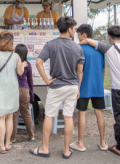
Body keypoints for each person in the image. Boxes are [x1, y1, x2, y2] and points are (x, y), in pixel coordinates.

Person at [30, 16, 85, 159]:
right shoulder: (77, 47)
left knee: (49, 115)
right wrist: (78, 88)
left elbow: (38, 62)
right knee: (68, 117)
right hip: (72, 86)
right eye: (74, 28)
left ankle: (44, 148)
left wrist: (47, 80)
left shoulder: (51, 45)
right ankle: (66, 150)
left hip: (56, 86)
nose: (74, 31)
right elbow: (80, 71)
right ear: (69, 29)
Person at [79, 25, 120, 156]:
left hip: (118, 89)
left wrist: (81, 41)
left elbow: (89, 41)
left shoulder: (108, 48)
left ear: (109, 37)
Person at [69, 24, 108, 152]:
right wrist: (100, 85)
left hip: (83, 86)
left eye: (78, 35)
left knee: (82, 113)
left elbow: (77, 70)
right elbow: (103, 70)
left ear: (84, 35)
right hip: (97, 86)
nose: (78, 37)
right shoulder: (100, 50)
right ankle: (102, 142)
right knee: (99, 113)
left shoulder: (79, 49)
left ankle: (80, 143)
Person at [11, 44, 35, 143]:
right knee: (26, 113)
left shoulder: (13, 63)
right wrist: (32, 93)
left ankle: (12, 138)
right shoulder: (27, 64)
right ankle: (32, 136)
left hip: (14, 89)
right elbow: (30, 80)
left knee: (14, 115)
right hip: (25, 90)